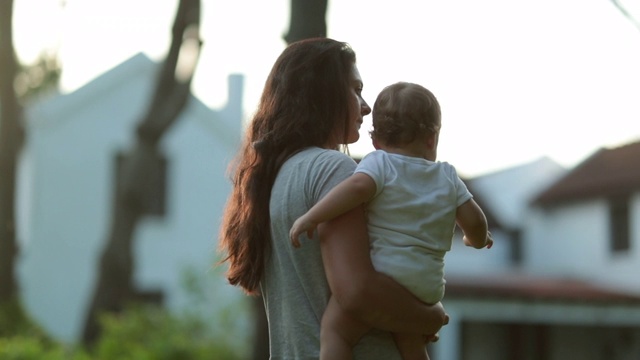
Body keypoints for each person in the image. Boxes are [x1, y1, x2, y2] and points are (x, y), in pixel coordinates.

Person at [218, 38, 448, 360]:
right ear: (321, 94)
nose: (367, 107)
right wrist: (432, 314)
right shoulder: (332, 169)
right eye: (355, 90)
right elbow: (356, 292)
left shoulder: (274, 176)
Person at [290, 81, 493, 360]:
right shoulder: (448, 176)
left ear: (376, 141)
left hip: (385, 275)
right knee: (412, 344)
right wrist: (476, 239)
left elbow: (356, 189)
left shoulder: (380, 163)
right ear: (432, 139)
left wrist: (312, 216)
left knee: (335, 331)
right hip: (426, 286)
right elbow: (476, 221)